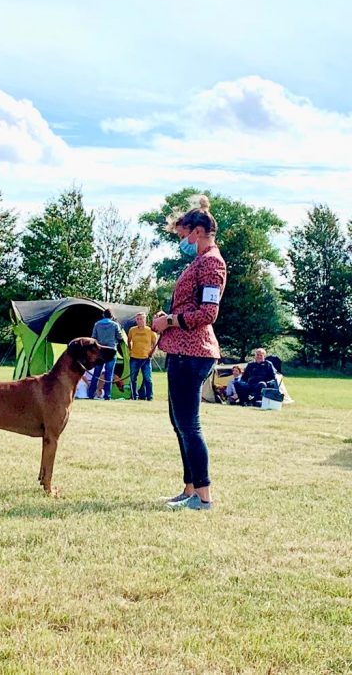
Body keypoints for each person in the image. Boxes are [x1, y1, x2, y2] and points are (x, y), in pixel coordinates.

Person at [152, 195, 227, 511]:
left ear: (197, 231)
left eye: (183, 237)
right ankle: (190, 489)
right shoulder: (200, 261)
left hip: (193, 353)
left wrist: (169, 320)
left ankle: (204, 497)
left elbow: (208, 313)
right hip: (182, 351)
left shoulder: (211, 262)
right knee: (179, 421)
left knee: (189, 424)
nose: (181, 243)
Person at [87, 308, 122, 400]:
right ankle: (107, 396)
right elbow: (120, 337)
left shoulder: (97, 324)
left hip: (100, 351)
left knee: (96, 373)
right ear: (111, 316)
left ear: (103, 315)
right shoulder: (115, 325)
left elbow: (93, 338)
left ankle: (91, 394)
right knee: (109, 374)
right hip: (111, 351)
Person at [127, 312, 158, 400]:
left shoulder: (150, 331)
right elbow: (129, 341)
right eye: (138, 319)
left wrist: (152, 353)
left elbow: (155, 344)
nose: (139, 321)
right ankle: (134, 396)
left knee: (148, 379)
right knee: (133, 378)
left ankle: (149, 397)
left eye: (141, 319)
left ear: (145, 320)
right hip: (134, 358)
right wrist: (130, 350)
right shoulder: (132, 330)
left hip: (146, 358)